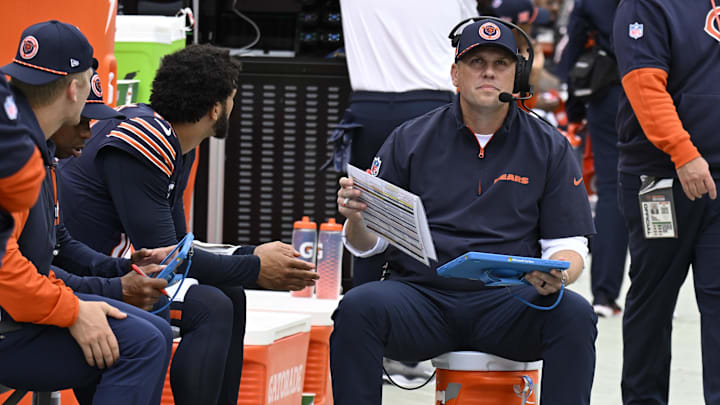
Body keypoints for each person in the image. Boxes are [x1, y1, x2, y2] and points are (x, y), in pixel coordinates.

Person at [332, 18, 597, 404]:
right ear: (455, 74)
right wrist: (357, 218)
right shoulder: (410, 138)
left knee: (574, 314)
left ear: (516, 77)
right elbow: (369, 246)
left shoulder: (548, 145)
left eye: (501, 63)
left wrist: (560, 274)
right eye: (476, 62)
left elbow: (568, 245)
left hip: (512, 302)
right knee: (357, 308)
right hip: (423, 298)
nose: (489, 71)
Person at [58, 44, 319, 405]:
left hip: (101, 269)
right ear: (216, 108)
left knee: (228, 293)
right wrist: (256, 265)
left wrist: (251, 257)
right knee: (211, 306)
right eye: (233, 95)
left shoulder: (172, 139)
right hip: (81, 276)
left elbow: (177, 246)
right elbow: (169, 261)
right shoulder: (145, 138)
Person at [0, 20, 172, 405]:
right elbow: (8, 269)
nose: (88, 130)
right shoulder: (15, 151)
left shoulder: (33, 147)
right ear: (75, 89)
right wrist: (76, 309)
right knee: (141, 343)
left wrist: (111, 278)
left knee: (149, 331)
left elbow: (41, 255)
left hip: (15, 314)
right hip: (9, 324)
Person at [612, 1, 720, 404]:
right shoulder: (647, 4)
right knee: (654, 298)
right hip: (660, 177)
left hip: (718, 179)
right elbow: (644, 84)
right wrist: (683, 152)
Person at [330, 0, 479, 287]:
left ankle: (368, 309)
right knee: (437, 223)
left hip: (370, 110)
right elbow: (471, 38)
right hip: (431, 103)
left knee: (367, 218)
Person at [559, 0, 626, 317]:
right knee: (660, 188)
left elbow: (573, 48)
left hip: (609, 93)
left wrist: (574, 105)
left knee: (613, 191)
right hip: (661, 92)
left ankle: (604, 294)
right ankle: (654, 291)